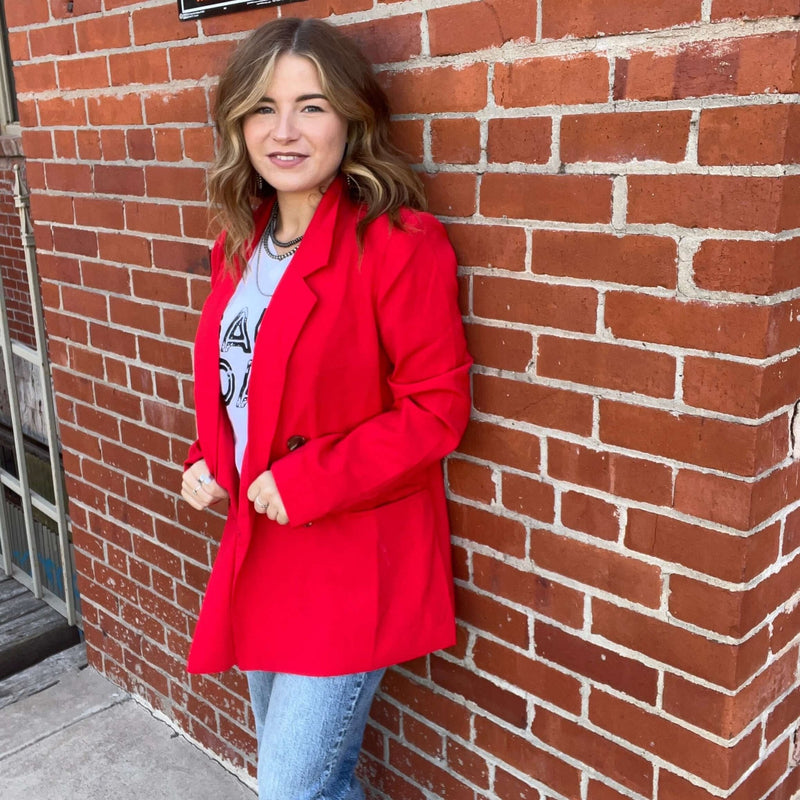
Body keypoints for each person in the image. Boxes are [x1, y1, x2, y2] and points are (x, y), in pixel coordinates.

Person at [180, 17, 472, 800]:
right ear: (237, 123)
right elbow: (240, 380)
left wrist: (309, 478)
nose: (283, 132)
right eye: (262, 108)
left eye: (310, 107)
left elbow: (437, 410)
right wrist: (207, 456)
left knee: (290, 787)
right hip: (262, 545)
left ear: (351, 118)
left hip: (347, 554)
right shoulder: (238, 242)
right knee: (312, 782)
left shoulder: (400, 243)